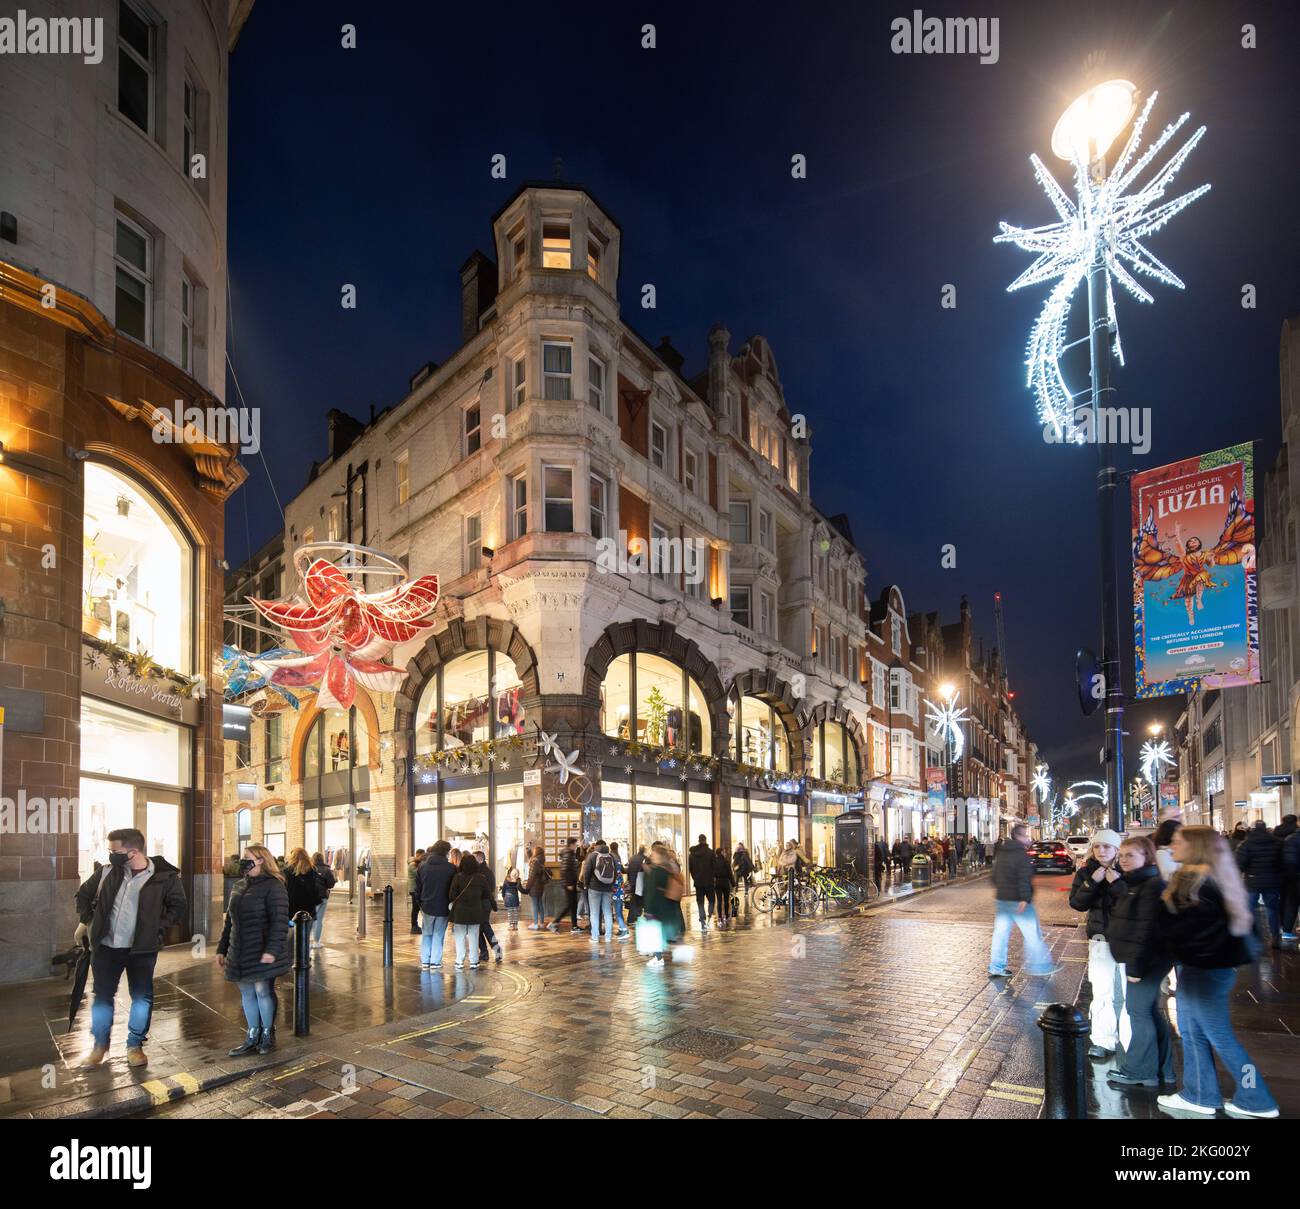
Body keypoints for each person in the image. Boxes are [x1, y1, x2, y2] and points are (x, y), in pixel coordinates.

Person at [1157, 826, 1280, 1118]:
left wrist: (1167, 949)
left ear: (1195, 847)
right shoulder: (1219, 875)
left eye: (1177, 841)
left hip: (1203, 970)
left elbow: (1188, 931)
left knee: (1219, 1036)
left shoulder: (1193, 880)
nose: (1172, 845)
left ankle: (1257, 1098)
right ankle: (1199, 1094)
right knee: (1191, 1032)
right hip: (1212, 969)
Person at [74, 827, 187, 1069]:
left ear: (133, 851)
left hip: (142, 950)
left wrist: (157, 927)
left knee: (141, 997)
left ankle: (134, 1045)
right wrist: (89, 921)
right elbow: (82, 895)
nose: (110, 855)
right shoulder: (107, 872)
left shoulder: (164, 877)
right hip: (106, 948)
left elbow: (178, 907)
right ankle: (99, 1046)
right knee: (102, 997)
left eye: (115, 851)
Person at [1105, 835, 1174, 1089]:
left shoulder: (1151, 885)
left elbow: (1145, 929)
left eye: (1131, 855)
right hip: (1148, 960)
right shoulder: (1137, 883)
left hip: (1146, 962)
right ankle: (1163, 1069)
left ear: (1147, 856)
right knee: (1149, 1012)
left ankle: (1140, 1071)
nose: (1123, 860)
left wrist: (1135, 967)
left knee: (1138, 1012)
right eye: (1121, 855)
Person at [218, 844, 290, 1057]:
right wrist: (222, 949)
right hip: (239, 951)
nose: (243, 862)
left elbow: (279, 923)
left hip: (261, 949)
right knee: (246, 992)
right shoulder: (239, 886)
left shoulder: (274, 887)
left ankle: (267, 1034)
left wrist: (272, 951)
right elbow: (230, 921)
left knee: (262, 991)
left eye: (247, 858)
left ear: (260, 860)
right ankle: (252, 1035)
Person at [1068, 829, 1128, 1060]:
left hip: (1126, 940)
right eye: (1097, 846)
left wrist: (1118, 883)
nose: (1101, 851)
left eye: (1107, 846)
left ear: (1116, 849)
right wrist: (1092, 883)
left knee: (1126, 994)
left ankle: (1128, 1040)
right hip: (1100, 939)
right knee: (1102, 991)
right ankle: (1103, 1040)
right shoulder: (1086, 873)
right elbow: (1077, 904)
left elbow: (1134, 903)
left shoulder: (1128, 870)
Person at [988, 823, 1059, 978]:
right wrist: (1025, 899)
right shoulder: (1021, 855)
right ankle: (1040, 966)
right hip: (1019, 901)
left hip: (1002, 900)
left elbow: (993, 877)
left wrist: (1003, 889)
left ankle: (996, 967)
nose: (1028, 838)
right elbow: (1024, 879)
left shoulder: (1002, 854)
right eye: (1026, 835)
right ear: (1019, 837)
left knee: (1000, 935)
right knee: (1033, 934)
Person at [1235, 819, 1283, 947]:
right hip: (1272, 880)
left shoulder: (1247, 843)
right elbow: (1282, 861)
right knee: (1272, 909)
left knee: (1250, 908)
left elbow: (1240, 863)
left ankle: (1254, 936)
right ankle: (1275, 936)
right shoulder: (1276, 843)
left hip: (1252, 881)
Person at [640, 842, 686, 967]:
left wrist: (648, 910)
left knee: (655, 933)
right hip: (665, 908)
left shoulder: (658, 871)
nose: (651, 856)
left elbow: (651, 892)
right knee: (660, 933)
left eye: (654, 854)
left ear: (659, 856)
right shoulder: (667, 870)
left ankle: (658, 958)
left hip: (656, 908)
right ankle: (661, 955)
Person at [416, 840, 455, 969]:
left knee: (426, 933)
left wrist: (420, 903)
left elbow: (418, 888)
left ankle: (425, 961)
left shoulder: (422, 866)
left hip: (427, 905)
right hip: (443, 906)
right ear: (446, 852)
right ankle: (435, 962)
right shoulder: (451, 868)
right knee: (438, 934)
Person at [448, 853, 492, 969]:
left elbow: (451, 896)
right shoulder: (481, 878)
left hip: (459, 913)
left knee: (460, 937)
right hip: (475, 912)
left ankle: (459, 961)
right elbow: (487, 894)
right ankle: (474, 961)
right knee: (473, 937)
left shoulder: (457, 877)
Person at [282, 848, 324, 944]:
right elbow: (315, 889)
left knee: (291, 933)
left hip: (291, 908)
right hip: (308, 908)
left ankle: (293, 954)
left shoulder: (287, 871)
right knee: (305, 934)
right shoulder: (312, 870)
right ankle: (304, 955)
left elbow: (284, 889)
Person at [581, 839, 619, 945]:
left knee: (594, 913)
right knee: (607, 912)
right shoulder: (611, 856)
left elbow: (587, 872)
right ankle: (608, 937)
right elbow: (615, 872)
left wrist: (586, 884)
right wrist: (612, 884)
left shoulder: (592, 856)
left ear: (596, 846)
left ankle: (595, 936)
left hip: (594, 888)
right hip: (608, 888)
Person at [473, 848, 503, 963]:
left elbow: (489, 890)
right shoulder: (482, 871)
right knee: (479, 929)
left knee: (485, 927)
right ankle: (484, 952)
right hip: (481, 904)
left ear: (480, 859)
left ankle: (496, 950)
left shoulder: (485, 873)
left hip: (483, 904)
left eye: (474, 858)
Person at [551, 837, 581, 934]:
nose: (576, 846)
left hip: (571, 883)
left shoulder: (570, 854)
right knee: (569, 905)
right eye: (575, 844)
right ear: (571, 844)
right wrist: (568, 884)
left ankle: (574, 926)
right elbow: (565, 870)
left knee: (573, 905)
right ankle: (554, 922)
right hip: (569, 884)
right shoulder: (568, 854)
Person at [688, 834, 716, 930]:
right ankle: (709, 914)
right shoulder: (711, 852)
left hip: (698, 882)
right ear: (705, 840)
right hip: (709, 882)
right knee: (711, 900)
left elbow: (690, 869)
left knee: (700, 901)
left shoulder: (692, 855)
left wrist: (695, 877)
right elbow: (714, 866)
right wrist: (713, 877)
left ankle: (702, 917)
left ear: (699, 840)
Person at [609, 841, 631, 937]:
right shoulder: (618, 856)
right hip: (620, 885)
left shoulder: (610, 857)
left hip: (614, 886)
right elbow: (622, 870)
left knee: (617, 910)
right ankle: (621, 928)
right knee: (618, 909)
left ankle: (624, 929)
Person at [525, 845, 549, 930]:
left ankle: (535, 924)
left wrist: (527, 888)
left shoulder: (534, 863)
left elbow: (531, 877)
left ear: (536, 853)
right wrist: (528, 851)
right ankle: (541, 923)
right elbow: (531, 857)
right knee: (540, 905)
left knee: (534, 905)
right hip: (540, 887)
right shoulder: (541, 861)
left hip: (534, 887)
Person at [1283, 823, 1300, 940]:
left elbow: (1288, 860)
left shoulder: (1290, 839)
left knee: (1292, 903)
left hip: (1294, 877)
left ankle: (1287, 931)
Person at [626, 844, 649, 927]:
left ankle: (631, 919)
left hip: (633, 882)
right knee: (640, 902)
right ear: (644, 850)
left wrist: (629, 880)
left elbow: (628, 870)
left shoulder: (632, 858)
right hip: (640, 883)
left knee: (634, 901)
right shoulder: (645, 859)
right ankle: (637, 918)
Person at [713, 846, 735, 925]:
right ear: (721, 852)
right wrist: (733, 883)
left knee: (719, 901)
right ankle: (726, 915)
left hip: (717, 882)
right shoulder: (726, 862)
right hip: (725, 882)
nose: (725, 853)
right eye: (724, 852)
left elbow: (712, 873)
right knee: (726, 901)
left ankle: (719, 918)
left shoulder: (714, 862)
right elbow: (730, 874)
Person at [407, 848, 426, 933]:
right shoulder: (412, 864)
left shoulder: (416, 863)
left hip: (416, 889)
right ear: (418, 854)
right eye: (422, 855)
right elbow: (419, 873)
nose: (423, 857)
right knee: (415, 908)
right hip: (414, 889)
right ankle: (414, 926)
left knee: (417, 908)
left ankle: (415, 925)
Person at [502, 862, 523, 931]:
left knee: (510, 913)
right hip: (515, 899)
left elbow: (503, 889)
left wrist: (503, 897)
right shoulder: (517, 881)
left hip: (508, 898)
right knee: (515, 913)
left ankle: (511, 925)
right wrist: (527, 891)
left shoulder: (506, 880)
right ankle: (515, 925)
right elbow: (521, 889)